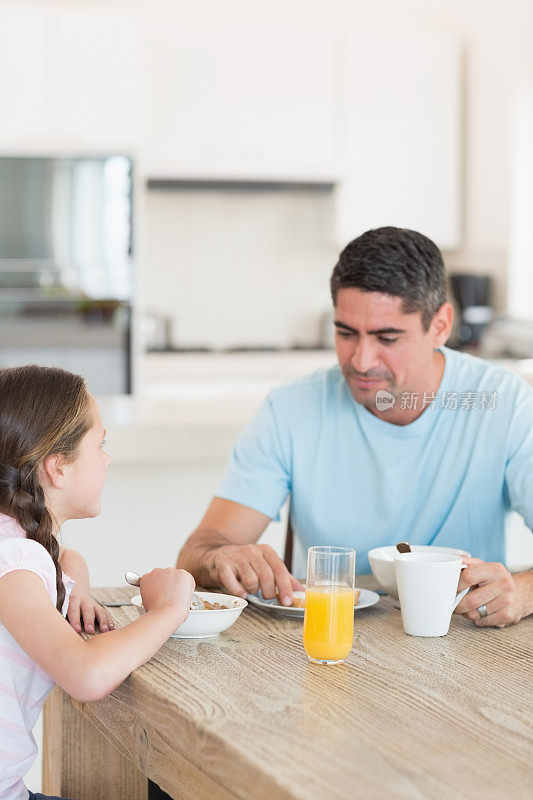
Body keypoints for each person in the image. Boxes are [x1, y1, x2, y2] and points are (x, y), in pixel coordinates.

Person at [177, 226, 533, 628]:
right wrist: (220, 557)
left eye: (387, 337)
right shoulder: (291, 409)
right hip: (322, 646)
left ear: (440, 325)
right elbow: (198, 550)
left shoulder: (505, 404)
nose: (361, 361)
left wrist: (522, 590)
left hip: (464, 644)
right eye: (346, 333)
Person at [0, 365, 195, 800]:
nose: (106, 457)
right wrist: (168, 611)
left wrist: (77, 591)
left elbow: (67, 557)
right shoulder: (13, 562)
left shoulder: (17, 545)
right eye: (99, 444)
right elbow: (87, 677)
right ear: (57, 468)